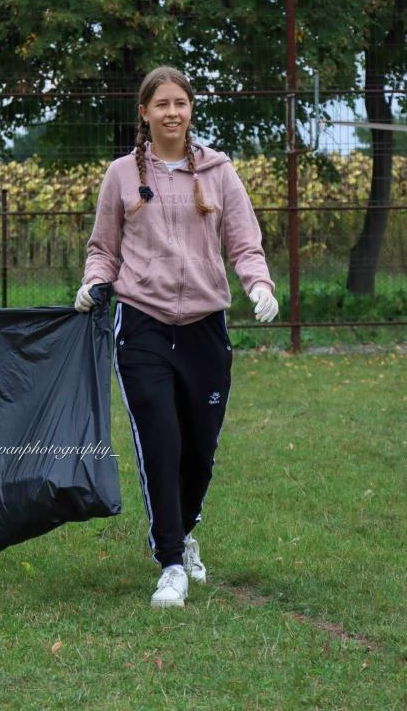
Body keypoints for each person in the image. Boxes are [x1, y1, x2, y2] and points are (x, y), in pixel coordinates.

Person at [74, 65, 278, 608]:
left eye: (180, 103)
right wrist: (95, 281)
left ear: (191, 110)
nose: (172, 113)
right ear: (144, 112)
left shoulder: (219, 172)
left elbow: (244, 243)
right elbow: (103, 248)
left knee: (200, 450)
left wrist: (258, 284)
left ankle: (185, 533)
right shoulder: (121, 174)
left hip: (205, 329)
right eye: (161, 104)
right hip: (142, 322)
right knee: (160, 443)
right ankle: (170, 564)